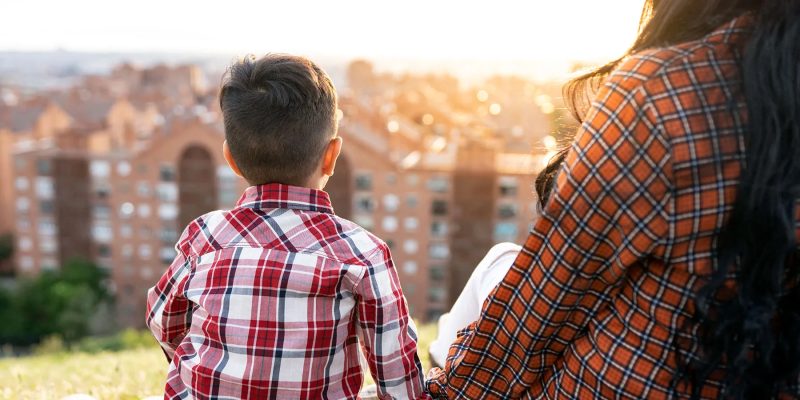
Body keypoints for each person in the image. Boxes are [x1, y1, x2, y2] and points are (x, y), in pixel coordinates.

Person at [426, 0, 800, 398]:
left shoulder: (668, 90)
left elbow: (539, 310)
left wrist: (447, 391)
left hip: (612, 384)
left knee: (498, 265)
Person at [146, 54, 428, 399]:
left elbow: (163, 321)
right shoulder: (362, 254)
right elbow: (397, 375)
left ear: (231, 159)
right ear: (332, 155)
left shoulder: (204, 236)